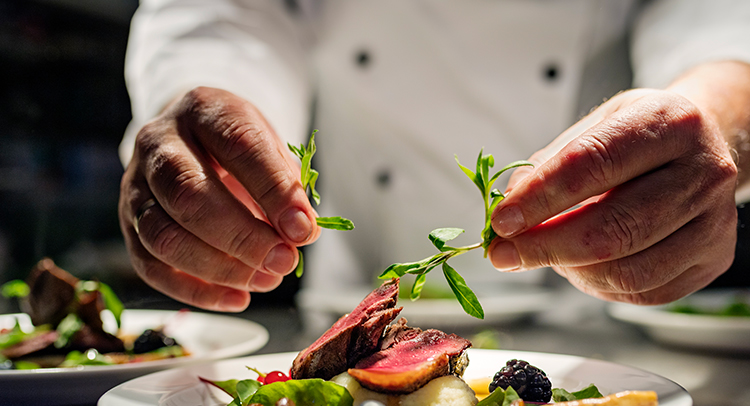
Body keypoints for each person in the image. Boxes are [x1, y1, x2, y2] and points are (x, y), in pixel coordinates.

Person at [118, 0, 750, 313]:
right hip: (355, 298)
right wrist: (210, 126)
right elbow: (220, 12)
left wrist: (713, 119)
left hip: (598, 318)